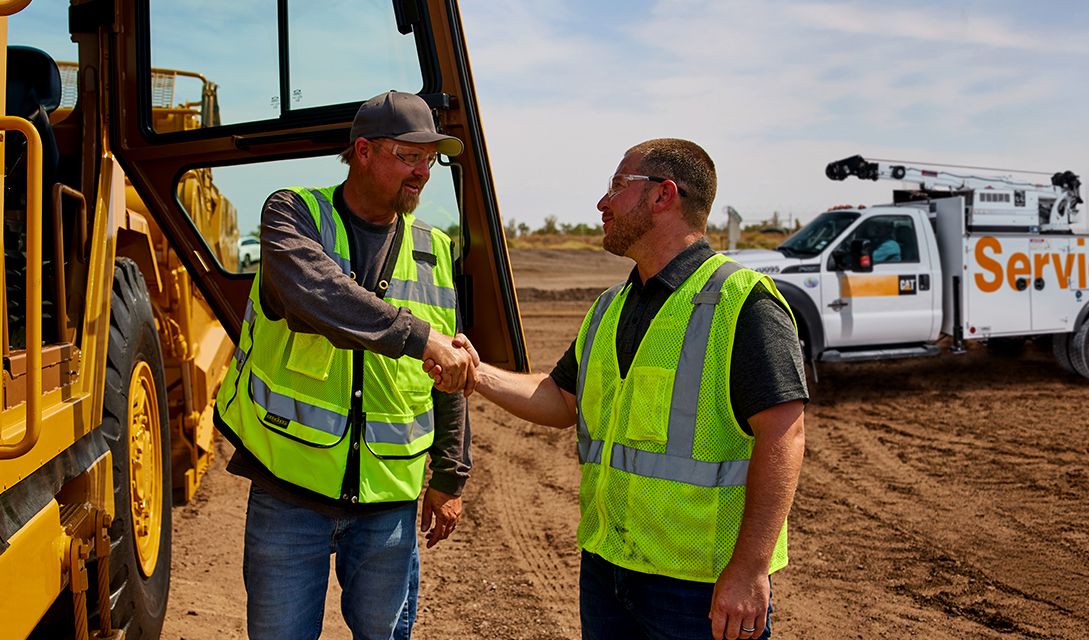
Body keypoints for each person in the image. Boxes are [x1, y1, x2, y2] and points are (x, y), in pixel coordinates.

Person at [448, 138, 807, 639]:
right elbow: (561, 399)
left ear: (664, 196)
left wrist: (749, 569)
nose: (602, 203)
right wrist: (475, 372)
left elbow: (784, 435)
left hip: (698, 588)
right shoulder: (610, 307)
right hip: (608, 569)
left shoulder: (740, 301)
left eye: (617, 187)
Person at [213, 90, 477, 640]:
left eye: (430, 159)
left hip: (388, 500)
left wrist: (450, 476)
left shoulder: (434, 249)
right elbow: (318, 297)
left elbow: (449, 371)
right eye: (409, 156)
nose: (423, 173)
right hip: (289, 491)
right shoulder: (294, 214)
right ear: (362, 151)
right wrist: (419, 337)